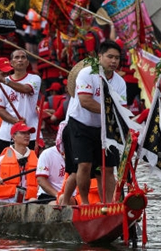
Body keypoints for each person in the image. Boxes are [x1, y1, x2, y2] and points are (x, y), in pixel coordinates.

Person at [58, 40, 126, 207]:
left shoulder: (120, 82)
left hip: (104, 126)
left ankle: (108, 204)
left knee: (108, 168)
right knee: (85, 165)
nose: (114, 61)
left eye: (117, 58)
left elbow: (122, 110)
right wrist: (110, 111)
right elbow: (86, 102)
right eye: (110, 57)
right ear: (100, 56)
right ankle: (85, 203)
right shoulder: (87, 74)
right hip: (80, 124)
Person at [0, 50, 42, 158]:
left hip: (31, 133)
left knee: (32, 166)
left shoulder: (35, 78)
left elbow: (26, 89)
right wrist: (15, 121)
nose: (20, 60)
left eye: (23, 57)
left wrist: (5, 81)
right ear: (11, 62)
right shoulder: (2, 82)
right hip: (6, 133)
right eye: (16, 57)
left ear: (27, 62)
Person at [0, 121, 38, 203]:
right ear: (13, 137)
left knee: (34, 201)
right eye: (23, 133)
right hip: (5, 202)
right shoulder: (2, 159)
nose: (27, 136)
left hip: (28, 202)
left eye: (28, 133)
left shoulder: (36, 160)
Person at [35, 137, 67, 201]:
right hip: (48, 196)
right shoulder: (47, 154)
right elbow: (41, 180)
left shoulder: (78, 154)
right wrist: (58, 195)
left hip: (72, 196)